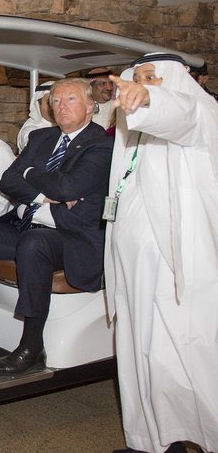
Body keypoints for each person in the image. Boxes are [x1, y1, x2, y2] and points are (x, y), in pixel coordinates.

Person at [0, 78, 112, 375]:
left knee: (34, 244)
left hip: (72, 236)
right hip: (29, 224)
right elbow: (8, 181)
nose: (61, 106)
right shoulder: (41, 138)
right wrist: (43, 195)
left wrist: (28, 173)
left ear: (90, 106)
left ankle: (31, 346)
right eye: (56, 101)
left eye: (71, 99)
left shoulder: (102, 144)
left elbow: (68, 187)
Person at [105, 52, 218, 453]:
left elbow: (182, 114)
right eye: (138, 78)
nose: (143, 84)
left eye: (152, 76)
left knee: (185, 358)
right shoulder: (133, 133)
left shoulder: (202, 113)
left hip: (177, 272)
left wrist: (150, 97)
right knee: (140, 355)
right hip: (135, 269)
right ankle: (152, 442)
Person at [17, 81, 55, 152]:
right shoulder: (31, 130)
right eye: (49, 102)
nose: (54, 107)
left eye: (57, 101)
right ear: (38, 105)